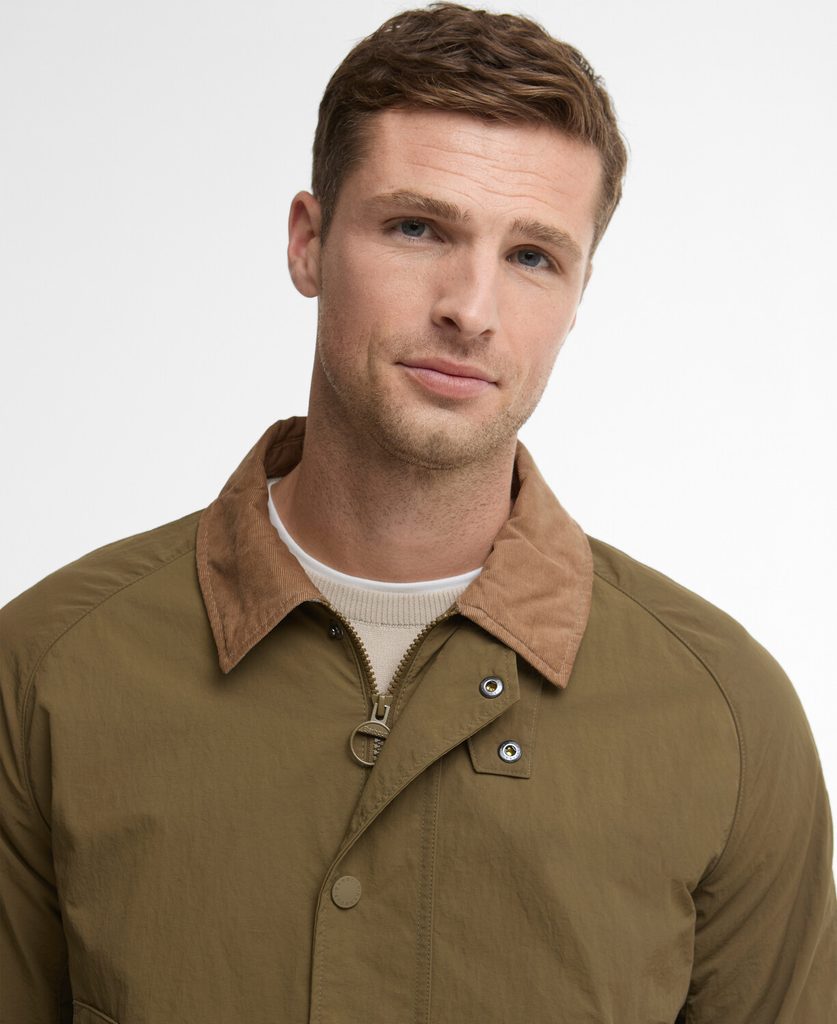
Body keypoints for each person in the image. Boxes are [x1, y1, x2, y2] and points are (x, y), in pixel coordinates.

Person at [1, 2, 834, 1020]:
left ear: (578, 296)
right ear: (308, 242)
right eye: (416, 228)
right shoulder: (47, 671)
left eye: (532, 256)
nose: (470, 309)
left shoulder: (726, 717)